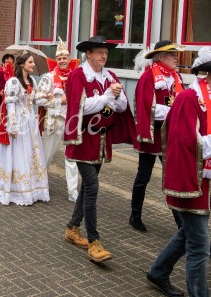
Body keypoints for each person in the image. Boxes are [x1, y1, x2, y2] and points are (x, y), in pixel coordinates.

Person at [146, 46, 211, 297]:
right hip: (189, 180)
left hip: (201, 179)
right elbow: (186, 142)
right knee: (199, 245)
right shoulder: (189, 98)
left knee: (188, 234)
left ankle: (158, 272)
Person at [63, 36, 131, 262]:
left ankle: (72, 228)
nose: (104, 56)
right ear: (89, 54)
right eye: (99, 52)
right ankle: (94, 241)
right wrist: (106, 97)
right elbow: (80, 107)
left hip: (102, 141)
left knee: (85, 189)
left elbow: (121, 107)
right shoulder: (78, 75)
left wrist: (117, 95)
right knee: (92, 188)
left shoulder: (110, 76)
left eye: (106, 52)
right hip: (83, 138)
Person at [130, 40, 185, 233]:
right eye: (172, 54)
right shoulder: (148, 77)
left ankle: (181, 222)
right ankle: (135, 215)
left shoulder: (176, 77)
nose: (176, 58)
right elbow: (147, 107)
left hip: (169, 135)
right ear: (161, 57)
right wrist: (174, 110)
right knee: (143, 176)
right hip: (152, 134)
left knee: (172, 177)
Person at [0, 53, 49, 205]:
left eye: (33, 62)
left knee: (30, 154)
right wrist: (13, 125)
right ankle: (15, 188)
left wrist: (48, 98)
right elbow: (10, 104)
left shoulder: (32, 81)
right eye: (30, 62)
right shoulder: (14, 82)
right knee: (18, 153)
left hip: (30, 122)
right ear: (22, 64)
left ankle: (31, 188)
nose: (33, 65)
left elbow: (34, 99)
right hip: (19, 122)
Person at [36, 38, 80, 202]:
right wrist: (58, 101)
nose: (62, 61)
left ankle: (73, 191)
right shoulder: (49, 77)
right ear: (56, 60)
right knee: (47, 155)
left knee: (72, 157)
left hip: (71, 121)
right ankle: (40, 184)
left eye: (65, 58)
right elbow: (37, 97)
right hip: (53, 121)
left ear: (69, 59)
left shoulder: (76, 76)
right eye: (59, 58)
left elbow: (82, 96)